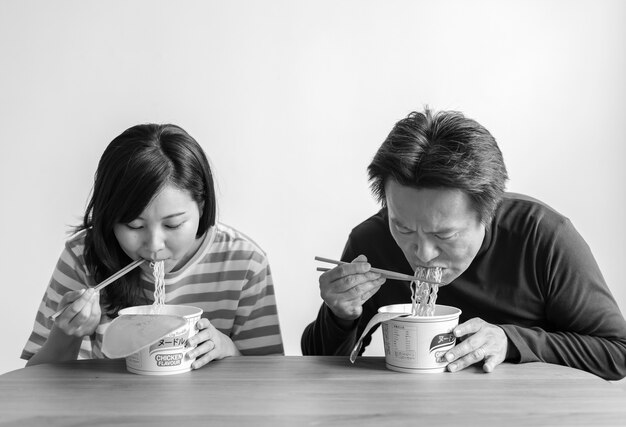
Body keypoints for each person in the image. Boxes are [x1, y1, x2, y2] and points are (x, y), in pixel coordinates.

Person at [301, 108, 626, 380]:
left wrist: (510, 340)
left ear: (489, 212)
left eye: (444, 235)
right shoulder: (371, 243)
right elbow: (319, 362)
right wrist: (339, 315)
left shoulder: (542, 237)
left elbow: (618, 352)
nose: (422, 254)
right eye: (402, 227)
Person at [23, 124, 284, 368]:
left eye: (172, 225)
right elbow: (35, 384)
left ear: (202, 207)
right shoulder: (83, 256)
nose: (154, 245)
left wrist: (227, 348)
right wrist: (66, 334)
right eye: (134, 226)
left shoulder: (244, 262)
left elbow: (269, 379)